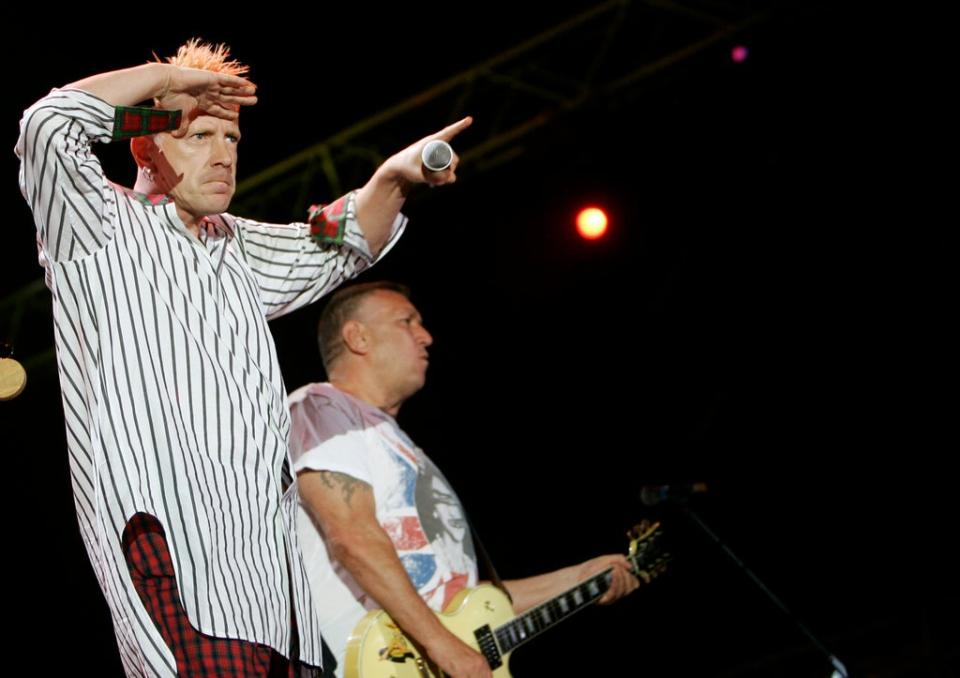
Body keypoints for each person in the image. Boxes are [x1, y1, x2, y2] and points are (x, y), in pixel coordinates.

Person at [15, 40, 470, 677]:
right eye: (199, 134)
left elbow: (346, 243)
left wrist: (392, 176)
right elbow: (46, 125)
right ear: (147, 144)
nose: (223, 155)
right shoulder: (96, 229)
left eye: (231, 138)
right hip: (180, 577)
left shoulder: (238, 245)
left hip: (277, 606)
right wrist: (168, 88)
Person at [289, 282, 640, 677]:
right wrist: (441, 644)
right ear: (358, 337)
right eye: (407, 322)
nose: (426, 336)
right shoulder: (321, 406)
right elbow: (351, 536)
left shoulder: (405, 449)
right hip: (358, 661)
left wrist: (580, 579)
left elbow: (468, 601)